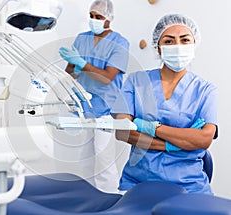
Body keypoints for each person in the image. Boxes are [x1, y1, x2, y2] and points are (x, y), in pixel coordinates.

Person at [111, 14, 218, 194]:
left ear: (193, 45)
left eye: (184, 40)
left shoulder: (205, 90)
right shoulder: (136, 81)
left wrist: (149, 127)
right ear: (158, 48)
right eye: (169, 41)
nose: (177, 46)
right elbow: (123, 131)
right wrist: (178, 143)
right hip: (138, 184)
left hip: (190, 186)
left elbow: (203, 139)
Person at [58, 0, 130, 193]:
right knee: (85, 159)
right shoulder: (82, 38)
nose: (94, 20)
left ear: (109, 18)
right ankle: (89, 198)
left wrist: (82, 62)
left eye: (99, 17)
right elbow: (70, 72)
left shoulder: (120, 43)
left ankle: (112, 201)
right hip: (84, 107)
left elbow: (107, 78)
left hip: (106, 108)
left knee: (104, 160)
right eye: (91, 16)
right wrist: (69, 65)